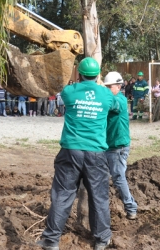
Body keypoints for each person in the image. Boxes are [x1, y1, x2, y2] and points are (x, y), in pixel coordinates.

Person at [36, 57, 118, 250]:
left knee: (62, 195)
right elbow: (115, 107)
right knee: (98, 196)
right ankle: (101, 239)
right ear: (98, 75)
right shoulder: (106, 95)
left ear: (79, 74)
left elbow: (61, 91)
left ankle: (51, 240)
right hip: (96, 153)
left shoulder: (70, 92)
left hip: (71, 151)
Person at [103, 71, 138, 220]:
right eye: (106, 86)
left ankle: (131, 207)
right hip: (108, 145)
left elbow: (112, 105)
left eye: (110, 86)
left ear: (118, 86)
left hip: (118, 146)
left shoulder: (120, 100)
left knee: (118, 176)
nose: (108, 89)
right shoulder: (110, 97)